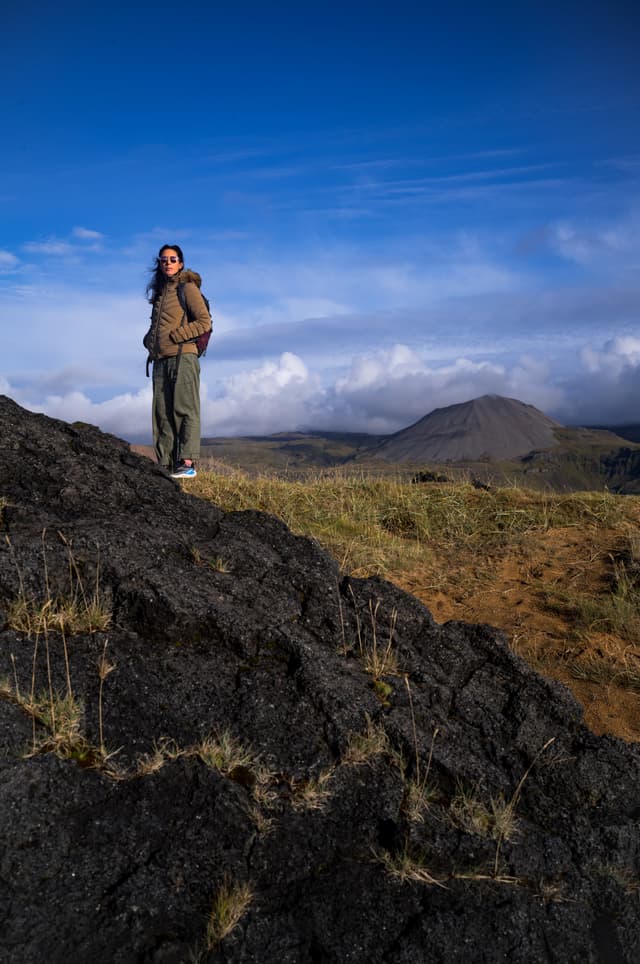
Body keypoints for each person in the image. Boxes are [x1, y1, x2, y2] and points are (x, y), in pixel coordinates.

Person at [144, 244, 212, 478]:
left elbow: (204, 322)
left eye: (173, 259)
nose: (168, 263)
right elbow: (158, 326)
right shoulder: (161, 292)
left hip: (184, 357)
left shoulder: (188, 288)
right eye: (164, 260)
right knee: (162, 413)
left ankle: (187, 463)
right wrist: (149, 342)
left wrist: (176, 337)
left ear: (181, 263)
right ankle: (165, 463)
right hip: (161, 360)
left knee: (185, 410)